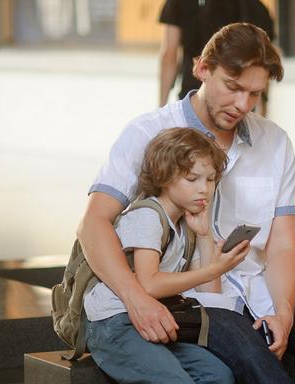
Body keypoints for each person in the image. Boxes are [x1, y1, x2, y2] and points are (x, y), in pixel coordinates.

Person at [78, 23, 295, 383]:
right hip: (195, 294)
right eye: (233, 88)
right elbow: (93, 224)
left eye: (254, 93)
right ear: (202, 69)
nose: (242, 105)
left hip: (265, 286)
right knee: (260, 365)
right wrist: (136, 298)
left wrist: (284, 314)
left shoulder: (275, 142)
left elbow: (283, 243)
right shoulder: (149, 133)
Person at [84, 128, 248, 383]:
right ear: (164, 177)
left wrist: (204, 236)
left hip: (154, 321)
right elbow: (149, 284)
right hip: (114, 323)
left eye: (210, 179)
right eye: (192, 179)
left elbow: (211, 295)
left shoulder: (185, 225)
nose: (204, 189)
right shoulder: (148, 216)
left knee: (218, 375)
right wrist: (215, 268)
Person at [159, 0, 274, 112]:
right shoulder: (255, 6)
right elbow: (262, 64)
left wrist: (161, 109)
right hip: (240, 101)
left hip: (193, 96)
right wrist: (262, 111)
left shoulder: (178, 2)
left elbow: (169, 54)